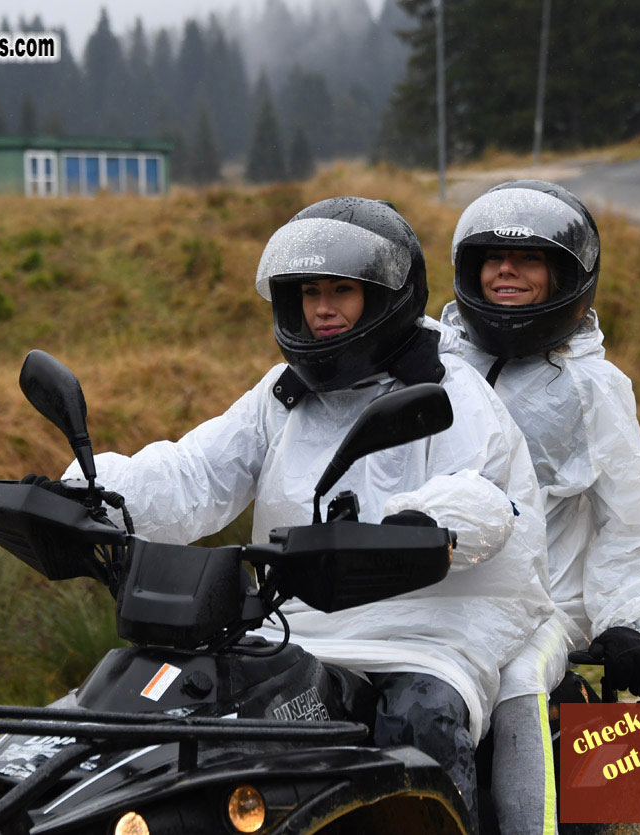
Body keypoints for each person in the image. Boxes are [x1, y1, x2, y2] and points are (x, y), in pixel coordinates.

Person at [62, 196, 554, 830]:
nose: (322, 309)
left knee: (420, 716)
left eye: (342, 292)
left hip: (431, 631)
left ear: (383, 297)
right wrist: (93, 492)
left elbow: (485, 498)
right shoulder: (283, 394)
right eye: (309, 292)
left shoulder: (449, 387)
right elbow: (194, 473)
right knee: (191, 710)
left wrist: (420, 526)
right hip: (294, 627)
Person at [434, 180, 640, 835]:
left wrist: (626, 620)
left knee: (513, 678)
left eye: (529, 260)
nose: (505, 270)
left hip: (541, 607)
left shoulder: (592, 387)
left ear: (566, 275)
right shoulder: (434, 364)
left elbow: (632, 518)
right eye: (491, 258)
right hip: (433, 591)